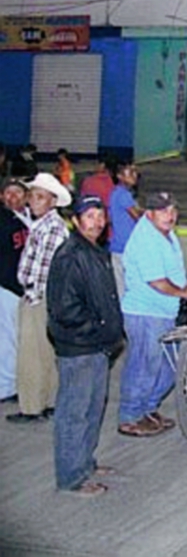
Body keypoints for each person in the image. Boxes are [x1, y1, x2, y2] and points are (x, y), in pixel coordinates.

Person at [46, 196, 124, 497]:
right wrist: (99, 329)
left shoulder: (94, 250)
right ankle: (70, 477)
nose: (96, 221)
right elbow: (65, 309)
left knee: (93, 409)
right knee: (73, 412)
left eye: (99, 215)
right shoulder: (70, 255)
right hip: (80, 347)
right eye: (88, 216)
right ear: (75, 221)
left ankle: (85, 463)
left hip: (98, 346)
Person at [117, 191, 187, 437]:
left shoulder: (166, 233)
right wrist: (183, 292)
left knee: (171, 366)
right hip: (145, 312)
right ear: (149, 213)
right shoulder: (146, 238)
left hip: (165, 311)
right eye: (163, 211)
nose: (170, 215)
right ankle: (130, 416)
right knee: (144, 365)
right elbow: (157, 282)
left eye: (173, 210)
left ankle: (148, 408)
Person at [8, 173, 71, 424]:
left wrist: (32, 295)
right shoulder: (46, 225)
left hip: (38, 298)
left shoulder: (50, 228)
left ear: (52, 201)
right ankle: (48, 401)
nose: (33, 201)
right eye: (32, 196)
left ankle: (32, 406)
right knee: (45, 353)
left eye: (40, 197)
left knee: (31, 355)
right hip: (44, 298)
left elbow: (43, 271)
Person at [0, 178, 30, 404]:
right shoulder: (3, 220)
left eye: (18, 193)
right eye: (8, 193)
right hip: (6, 286)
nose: (12, 197)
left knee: (16, 338)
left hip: (22, 288)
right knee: (8, 338)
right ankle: (6, 387)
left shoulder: (26, 218)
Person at [107, 160, 141, 298]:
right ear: (120, 176)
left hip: (120, 245)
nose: (134, 175)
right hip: (125, 246)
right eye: (130, 172)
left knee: (122, 286)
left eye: (135, 172)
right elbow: (137, 216)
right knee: (127, 288)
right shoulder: (123, 194)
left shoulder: (117, 193)